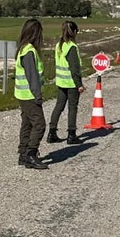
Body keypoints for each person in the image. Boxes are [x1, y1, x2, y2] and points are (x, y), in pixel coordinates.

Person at [13, 18, 48, 170]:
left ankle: (23, 153)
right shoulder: (29, 52)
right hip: (29, 95)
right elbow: (32, 77)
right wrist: (38, 96)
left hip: (22, 94)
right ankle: (31, 154)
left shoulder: (23, 48)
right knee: (39, 124)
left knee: (27, 124)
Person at [48, 20, 85, 145]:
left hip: (61, 81)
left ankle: (51, 132)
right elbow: (74, 68)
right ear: (74, 32)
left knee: (59, 106)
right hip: (71, 83)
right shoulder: (72, 47)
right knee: (72, 108)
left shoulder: (59, 45)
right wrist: (79, 84)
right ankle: (71, 134)